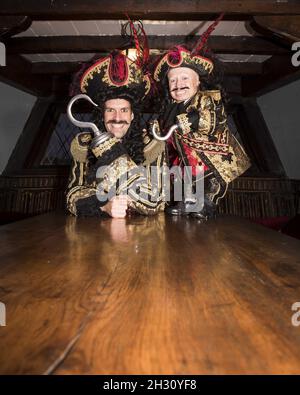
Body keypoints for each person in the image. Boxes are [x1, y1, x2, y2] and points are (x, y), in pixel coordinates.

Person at [153, 30, 250, 221]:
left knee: (206, 183)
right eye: (172, 80)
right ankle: (183, 202)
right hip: (182, 158)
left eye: (184, 78)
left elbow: (215, 119)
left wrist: (194, 120)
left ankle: (205, 203)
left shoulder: (207, 99)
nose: (178, 84)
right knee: (182, 180)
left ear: (198, 81)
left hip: (208, 156)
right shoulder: (171, 108)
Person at [66, 51, 166, 218]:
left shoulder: (151, 144)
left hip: (144, 236)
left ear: (132, 115)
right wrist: (104, 206)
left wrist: (110, 152)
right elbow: (72, 196)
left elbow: (158, 201)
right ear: (102, 115)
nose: (117, 118)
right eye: (110, 110)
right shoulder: (84, 144)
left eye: (124, 110)